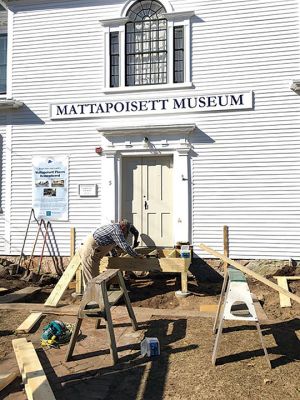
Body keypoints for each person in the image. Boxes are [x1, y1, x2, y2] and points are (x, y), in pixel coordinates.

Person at [79, 219, 144, 288]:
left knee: (95, 276)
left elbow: (110, 244)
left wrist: (115, 257)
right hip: (89, 251)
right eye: (126, 231)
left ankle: (100, 293)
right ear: (123, 227)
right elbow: (125, 247)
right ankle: (91, 297)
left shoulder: (116, 229)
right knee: (92, 278)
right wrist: (136, 256)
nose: (126, 234)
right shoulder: (116, 231)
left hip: (95, 253)